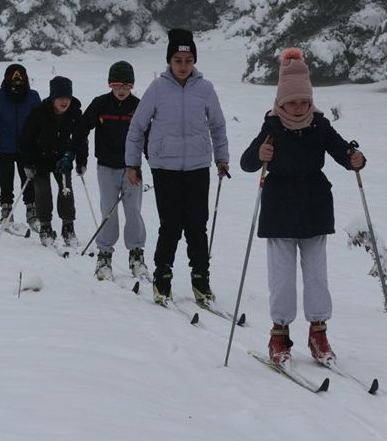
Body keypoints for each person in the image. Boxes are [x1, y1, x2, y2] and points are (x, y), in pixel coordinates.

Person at [239, 48, 366, 366]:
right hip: (279, 209)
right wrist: (260, 155)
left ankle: (318, 332)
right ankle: (279, 334)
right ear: (281, 102)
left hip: (314, 207)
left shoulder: (319, 125)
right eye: (292, 102)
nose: (298, 108)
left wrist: (355, 159)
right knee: (282, 278)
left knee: (316, 276)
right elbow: (246, 162)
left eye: (303, 102)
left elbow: (342, 152)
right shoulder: (272, 126)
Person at [125, 29, 229, 306]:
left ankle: (200, 279)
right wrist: (132, 163)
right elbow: (137, 127)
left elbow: (218, 126)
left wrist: (222, 158)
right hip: (165, 167)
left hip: (197, 166)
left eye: (188, 60)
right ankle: (163, 278)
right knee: (170, 225)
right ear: (169, 61)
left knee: (197, 225)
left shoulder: (205, 89)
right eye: (178, 60)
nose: (183, 66)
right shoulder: (157, 89)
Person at [75, 61, 148, 281]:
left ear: (132, 86)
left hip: (131, 169)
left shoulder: (139, 106)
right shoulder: (100, 104)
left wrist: (153, 161)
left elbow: (149, 136)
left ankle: (137, 255)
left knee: (133, 211)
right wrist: (80, 158)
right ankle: (104, 255)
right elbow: (81, 129)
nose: (121, 91)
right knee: (108, 210)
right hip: (106, 167)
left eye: (126, 86)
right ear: (110, 85)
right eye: (117, 86)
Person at [19, 76, 87, 247]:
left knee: (66, 191)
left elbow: (81, 139)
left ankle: (68, 226)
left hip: (62, 159)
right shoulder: (39, 112)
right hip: (40, 159)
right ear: (53, 97)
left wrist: (81, 161)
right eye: (60, 98)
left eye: (67, 98)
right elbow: (25, 138)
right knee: (43, 193)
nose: (64, 102)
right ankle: (46, 226)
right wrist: (27, 163)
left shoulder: (75, 113)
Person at [0, 64, 42, 229]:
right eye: (13, 79)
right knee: (5, 180)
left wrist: (39, 141)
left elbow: (41, 121)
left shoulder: (33, 96)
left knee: (28, 179)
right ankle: (6, 210)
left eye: (20, 78)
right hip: (5, 145)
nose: (17, 82)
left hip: (27, 148)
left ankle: (32, 210)